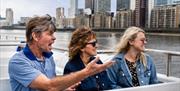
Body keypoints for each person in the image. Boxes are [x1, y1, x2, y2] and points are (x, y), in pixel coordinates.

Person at [8, 15, 114, 91]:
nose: (54, 38)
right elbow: (49, 86)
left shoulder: (49, 58)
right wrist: (86, 72)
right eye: (50, 34)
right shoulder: (18, 62)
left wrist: (63, 88)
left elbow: (52, 85)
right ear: (35, 36)